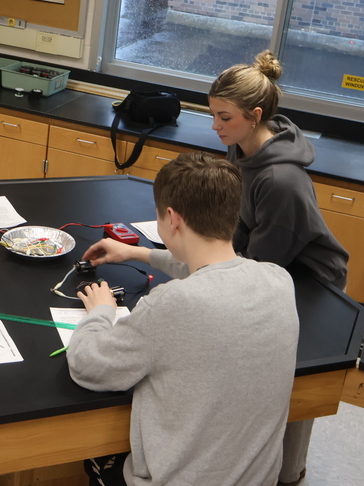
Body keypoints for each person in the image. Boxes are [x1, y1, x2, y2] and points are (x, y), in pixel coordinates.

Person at [68, 152, 299, 486]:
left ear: (173, 219)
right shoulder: (278, 280)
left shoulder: (173, 303)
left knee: (92, 452)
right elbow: (215, 268)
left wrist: (101, 311)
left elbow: (88, 366)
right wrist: (139, 253)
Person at [208, 50, 349, 484]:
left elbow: (262, 266)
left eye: (224, 117)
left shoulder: (281, 180)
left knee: (293, 375)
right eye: (212, 114)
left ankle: (290, 473)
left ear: (254, 115)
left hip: (309, 284)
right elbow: (239, 225)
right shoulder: (243, 149)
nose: (215, 126)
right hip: (272, 264)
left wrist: (211, 274)